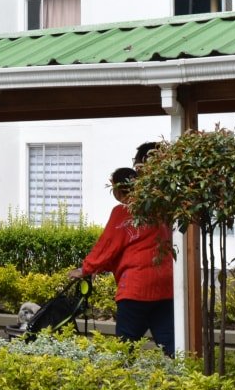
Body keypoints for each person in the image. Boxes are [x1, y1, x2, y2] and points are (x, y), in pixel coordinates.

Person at [68, 143, 174, 355]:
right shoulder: (161, 207)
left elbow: (108, 246)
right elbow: (129, 249)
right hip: (165, 285)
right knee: (170, 344)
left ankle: (122, 375)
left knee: (125, 346)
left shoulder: (123, 212)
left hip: (136, 288)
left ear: (117, 190)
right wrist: (99, 268)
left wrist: (86, 269)